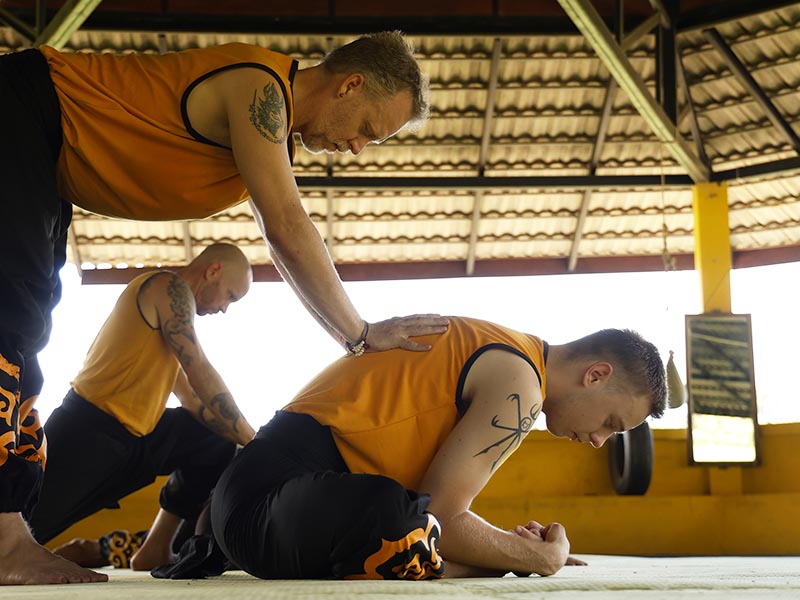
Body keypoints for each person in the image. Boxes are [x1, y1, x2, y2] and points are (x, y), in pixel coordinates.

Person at [0, 31, 448, 584]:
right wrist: (360, 333)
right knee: (12, 314)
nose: (358, 147)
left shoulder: (269, 135)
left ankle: (132, 547)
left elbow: (196, 390)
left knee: (29, 310)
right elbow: (285, 225)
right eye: (368, 130)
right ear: (350, 84)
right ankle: (7, 543)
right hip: (22, 109)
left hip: (47, 160)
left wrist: (251, 442)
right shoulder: (260, 88)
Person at [206, 317, 667, 580]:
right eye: (610, 423)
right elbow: (442, 518)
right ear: (597, 375)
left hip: (259, 502)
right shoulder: (520, 384)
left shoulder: (510, 353)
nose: (597, 441)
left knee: (410, 521)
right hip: (268, 502)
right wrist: (537, 557)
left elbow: (438, 516)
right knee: (401, 519)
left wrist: (503, 550)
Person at [24, 243, 253, 573]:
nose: (225, 309)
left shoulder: (173, 325)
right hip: (89, 432)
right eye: (231, 296)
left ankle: (156, 548)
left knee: (211, 441)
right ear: (213, 270)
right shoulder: (166, 287)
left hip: (135, 443)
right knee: (25, 532)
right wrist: (254, 438)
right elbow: (199, 368)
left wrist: (238, 441)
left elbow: (191, 400)